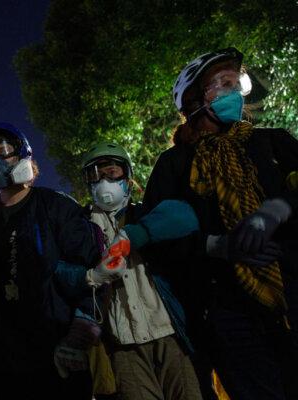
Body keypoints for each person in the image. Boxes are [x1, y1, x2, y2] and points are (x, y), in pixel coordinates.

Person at [143, 47, 298, 399]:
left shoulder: (272, 142)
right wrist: (216, 246)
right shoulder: (176, 164)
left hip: (290, 292)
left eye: (236, 84)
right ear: (197, 99)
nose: (235, 92)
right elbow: (157, 237)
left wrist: (275, 210)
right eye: (223, 84)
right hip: (228, 310)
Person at [0, 122, 104, 400]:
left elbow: (91, 272)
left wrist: (81, 331)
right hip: (0, 357)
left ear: (24, 157)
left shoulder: (56, 205)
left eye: (4, 151)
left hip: (54, 349)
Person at [80, 142, 203, 400]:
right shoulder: (81, 229)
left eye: (112, 172)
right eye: (95, 174)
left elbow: (186, 216)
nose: (104, 180)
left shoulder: (144, 213)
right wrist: (94, 276)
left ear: (127, 176)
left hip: (170, 334)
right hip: (124, 346)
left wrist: (134, 234)